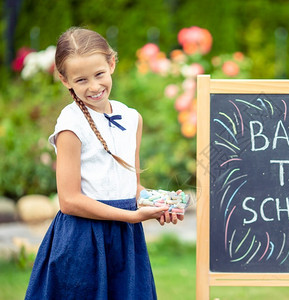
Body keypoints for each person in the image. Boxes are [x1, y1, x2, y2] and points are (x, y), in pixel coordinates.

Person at [25, 27, 182, 299]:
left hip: (125, 241)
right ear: (64, 80)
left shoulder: (132, 118)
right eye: (81, 79)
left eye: (99, 74)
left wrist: (158, 202)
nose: (94, 86)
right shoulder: (70, 126)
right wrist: (132, 216)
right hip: (82, 240)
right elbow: (69, 200)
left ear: (111, 64)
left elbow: (129, 186)